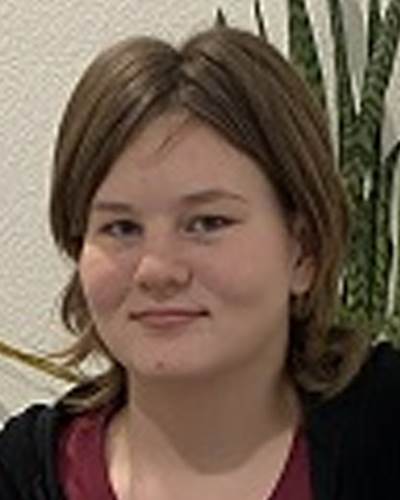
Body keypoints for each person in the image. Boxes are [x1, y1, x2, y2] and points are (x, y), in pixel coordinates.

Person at [0, 24, 399, 500]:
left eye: (207, 223)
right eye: (121, 228)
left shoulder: (384, 431)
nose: (157, 272)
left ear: (304, 250)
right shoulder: (24, 474)